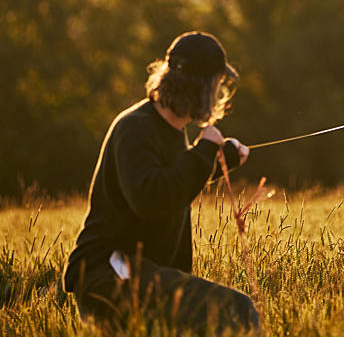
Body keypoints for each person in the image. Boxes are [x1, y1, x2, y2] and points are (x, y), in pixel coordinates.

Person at [62, 31, 259, 334]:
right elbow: (151, 201)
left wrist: (219, 160)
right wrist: (204, 151)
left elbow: (171, 183)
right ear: (202, 87)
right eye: (218, 85)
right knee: (238, 311)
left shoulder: (170, 131)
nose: (220, 94)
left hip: (141, 273)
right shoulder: (135, 128)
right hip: (107, 272)